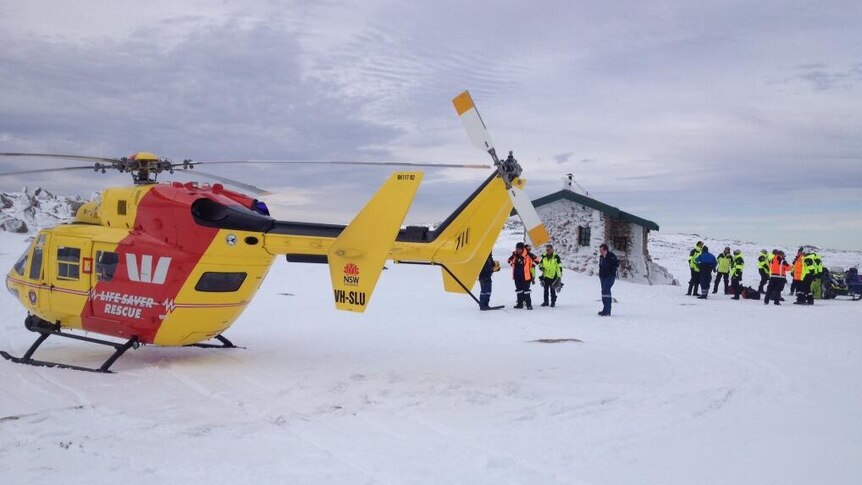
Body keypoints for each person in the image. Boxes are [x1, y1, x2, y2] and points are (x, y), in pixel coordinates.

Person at [507, 242, 534, 309]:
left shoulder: (528, 255)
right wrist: (512, 263)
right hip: (517, 276)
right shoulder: (514, 255)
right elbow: (509, 260)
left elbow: (537, 260)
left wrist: (530, 266)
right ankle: (519, 304)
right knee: (519, 290)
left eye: (519, 249)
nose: (517, 250)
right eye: (516, 248)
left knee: (526, 291)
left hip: (526, 276)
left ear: (522, 249)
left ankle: (529, 305)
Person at [598, 243, 618, 316]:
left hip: (609, 277)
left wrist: (606, 258)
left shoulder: (611, 257)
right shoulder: (601, 257)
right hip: (603, 277)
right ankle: (605, 309)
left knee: (606, 291)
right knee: (603, 292)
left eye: (601, 250)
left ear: (605, 250)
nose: (600, 252)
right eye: (600, 250)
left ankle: (607, 310)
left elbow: (613, 266)